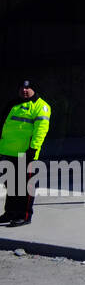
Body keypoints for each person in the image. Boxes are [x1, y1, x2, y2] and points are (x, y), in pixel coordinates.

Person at [1, 79, 51, 227]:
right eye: (22, 88)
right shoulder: (13, 104)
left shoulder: (41, 106)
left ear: (33, 89)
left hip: (26, 153)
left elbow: (40, 131)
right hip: (8, 151)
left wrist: (33, 149)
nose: (24, 90)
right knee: (11, 184)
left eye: (27, 88)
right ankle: (10, 212)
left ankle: (25, 215)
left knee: (26, 186)